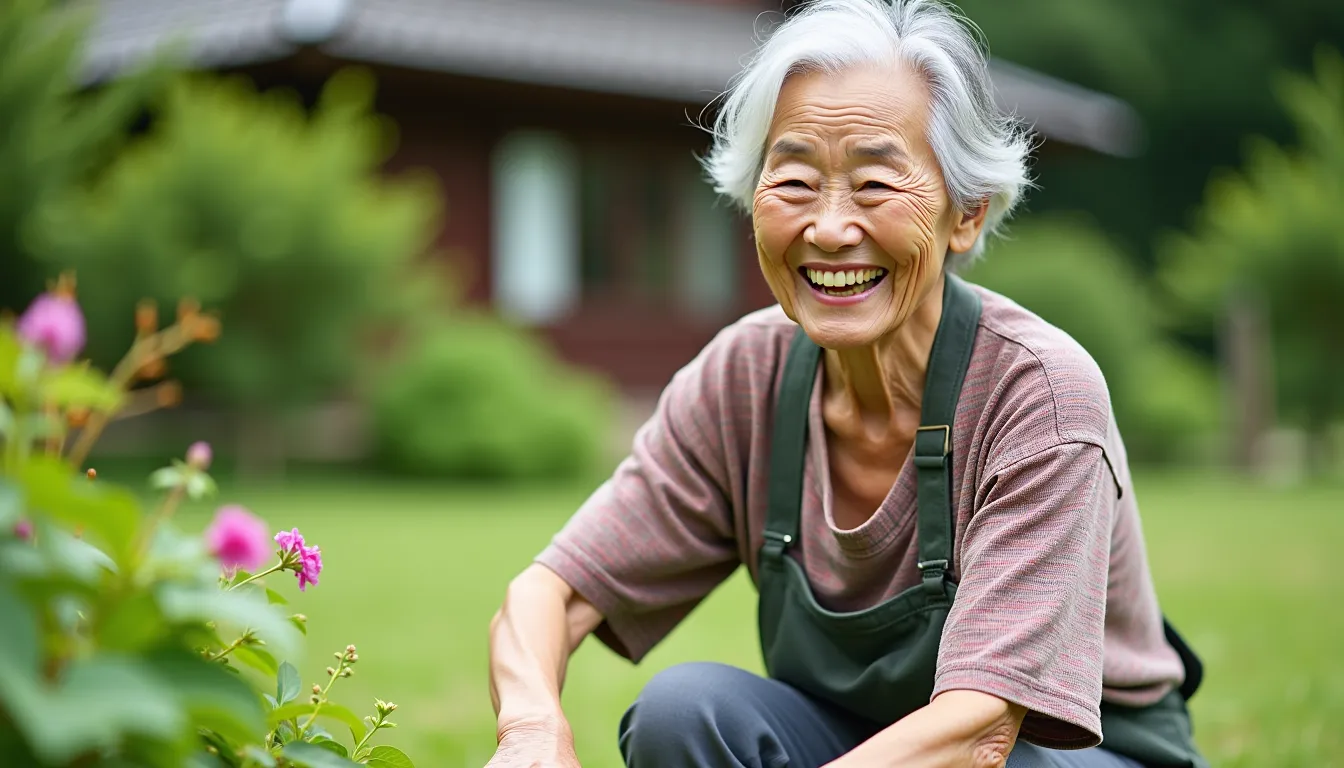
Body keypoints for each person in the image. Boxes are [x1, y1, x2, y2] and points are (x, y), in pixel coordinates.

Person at [485, 1, 1208, 766]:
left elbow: (981, 730)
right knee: (683, 711)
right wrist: (532, 731)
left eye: (873, 185)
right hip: (855, 740)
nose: (829, 229)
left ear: (965, 215)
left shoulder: (1039, 394)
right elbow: (550, 596)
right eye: (794, 180)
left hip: (1056, 752)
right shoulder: (745, 377)